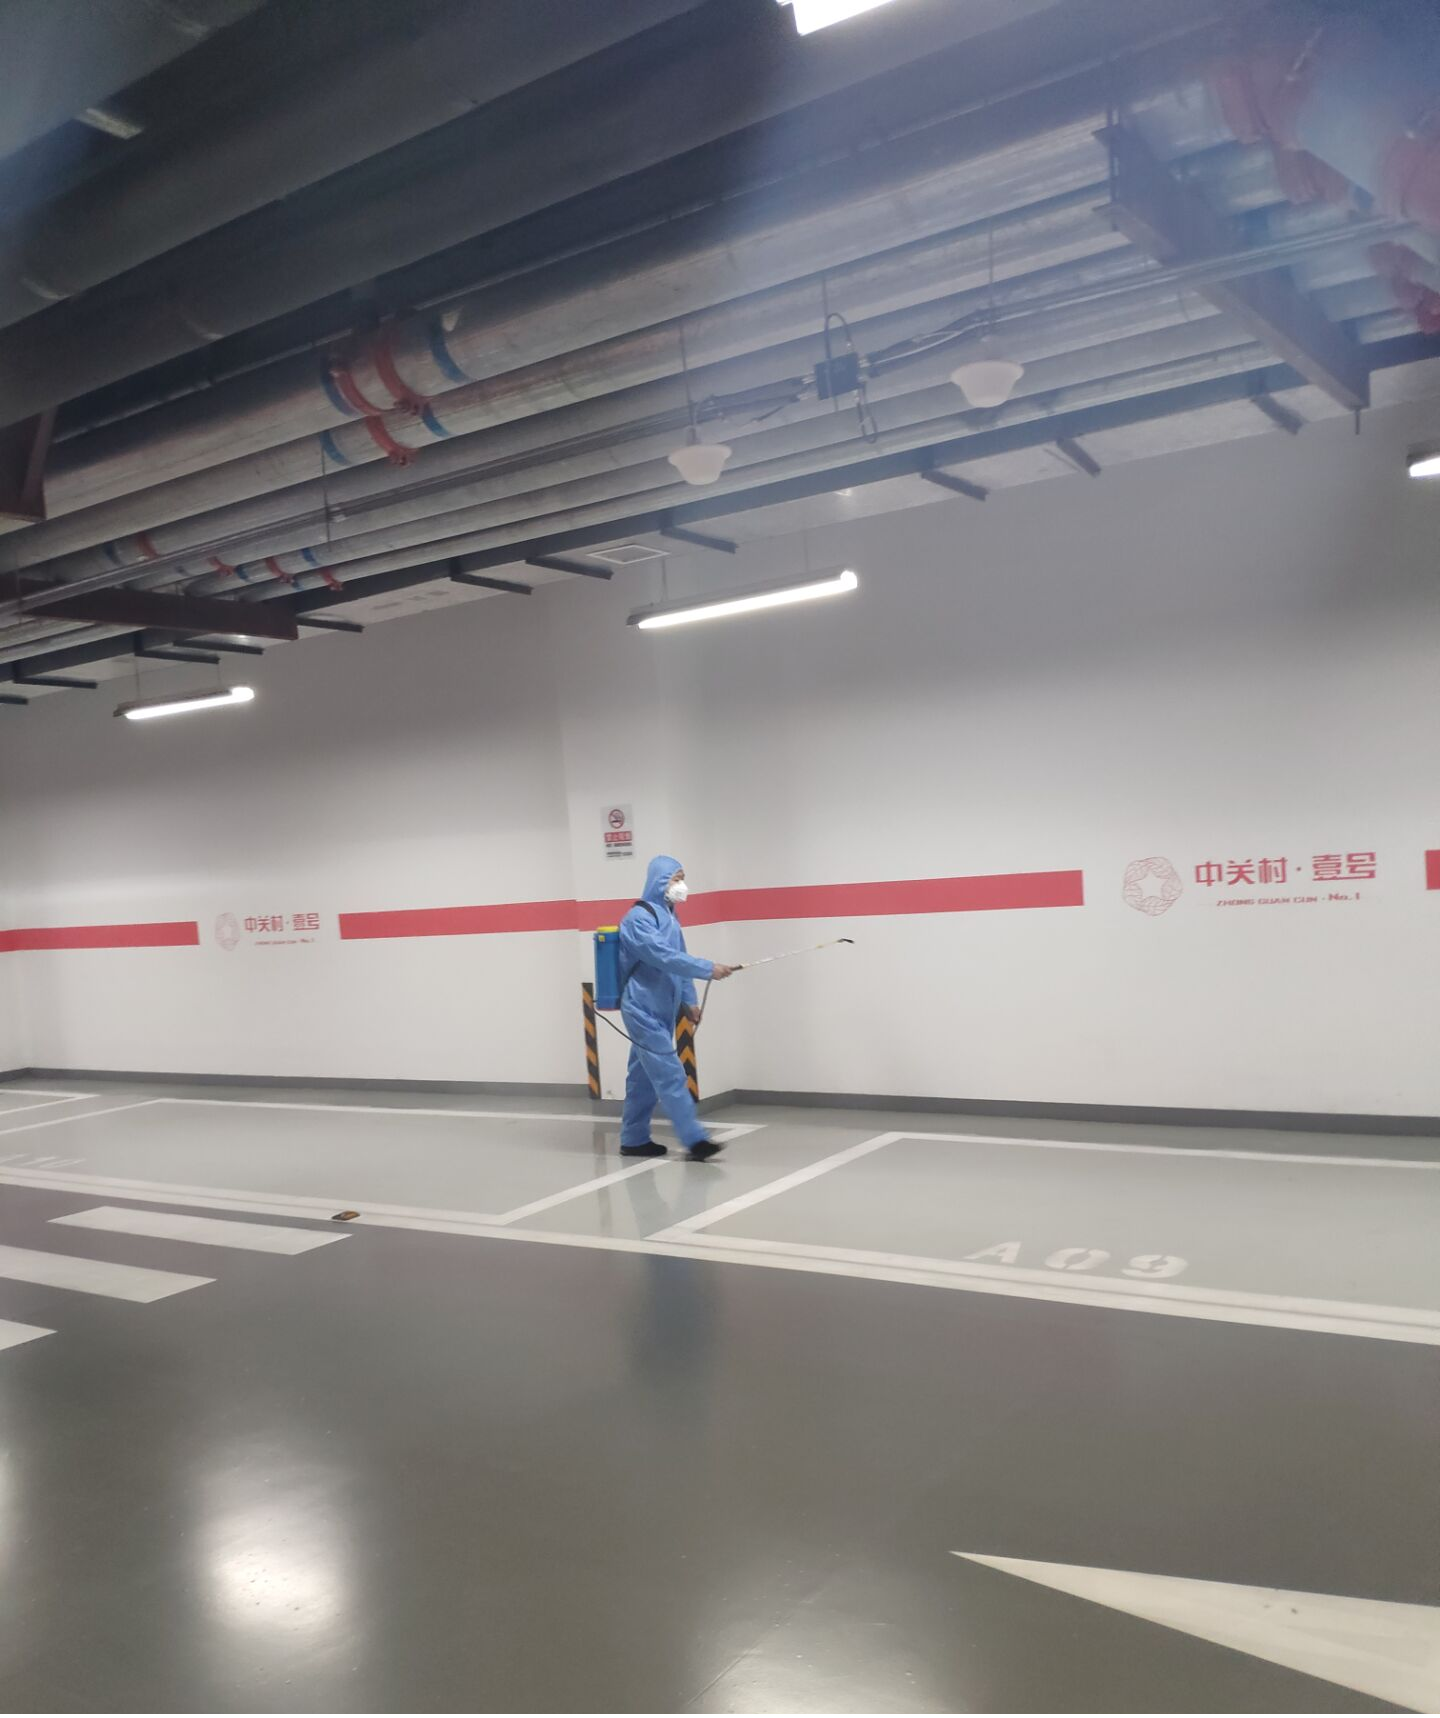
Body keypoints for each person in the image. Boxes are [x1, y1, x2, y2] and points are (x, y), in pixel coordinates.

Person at [617, 854, 734, 1161]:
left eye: (682, 878)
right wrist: (708, 968)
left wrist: (690, 1001)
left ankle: (633, 1139)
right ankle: (696, 1141)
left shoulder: (670, 916)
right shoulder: (637, 919)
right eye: (676, 878)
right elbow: (662, 956)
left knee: (642, 1078)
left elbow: (679, 959)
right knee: (670, 1074)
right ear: (659, 881)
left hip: (663, 1009)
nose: (682, 885)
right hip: (641, 1009)